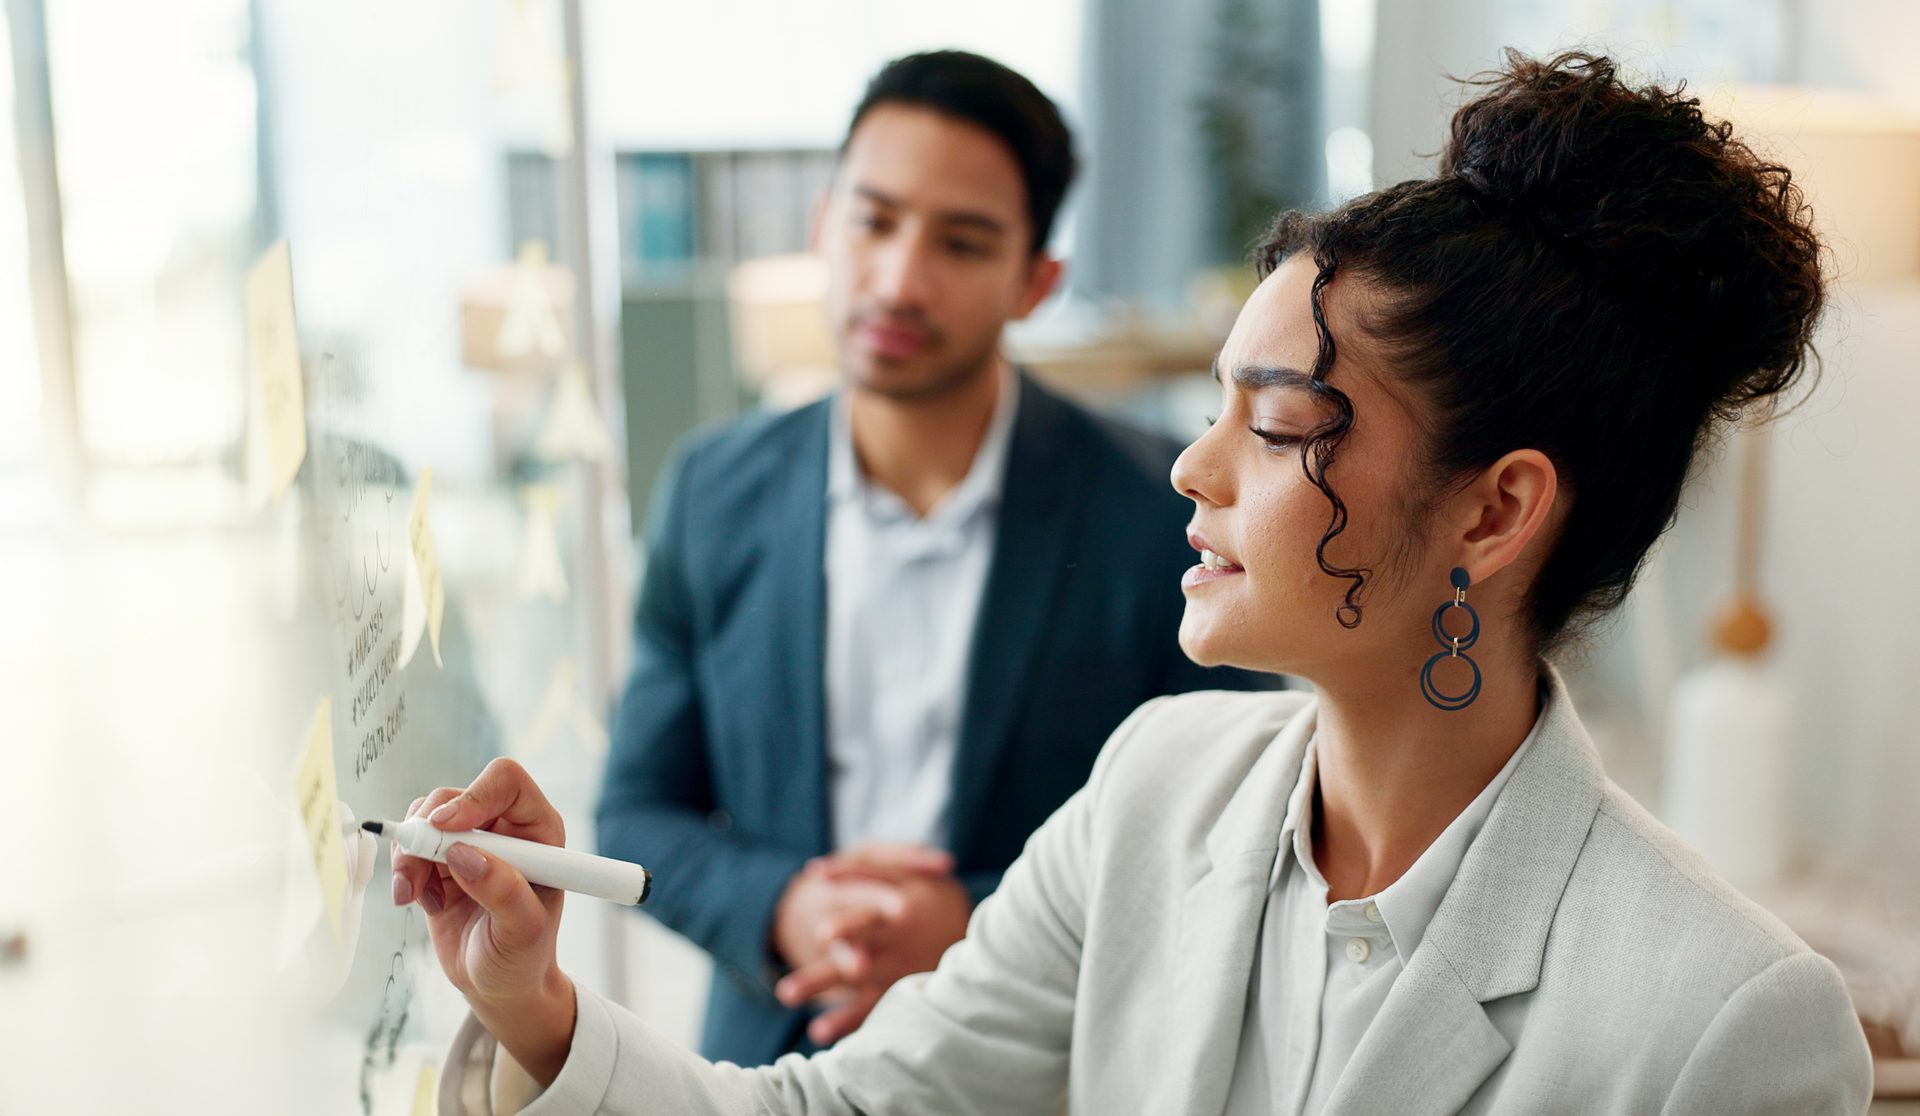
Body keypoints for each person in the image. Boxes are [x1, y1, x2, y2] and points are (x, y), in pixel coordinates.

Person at [394, 51, 1874, 1114]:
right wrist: (531, 996)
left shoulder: (1724, 1023)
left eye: (1279, 422)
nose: (1197, 468)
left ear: (1495, 515)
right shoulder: (1158, 789)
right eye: (1216, 403)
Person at [593, 49, 1274, 1067]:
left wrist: (980, 922)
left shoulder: (1158, 509)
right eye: (873, 221)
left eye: (961, 243)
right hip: (775, 1054)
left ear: (1036, 282)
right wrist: (788, 906)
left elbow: (1230, 832)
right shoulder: (712, 491)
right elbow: (637, 810)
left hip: (1045, 1062)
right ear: (824, 226)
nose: (900, 279)